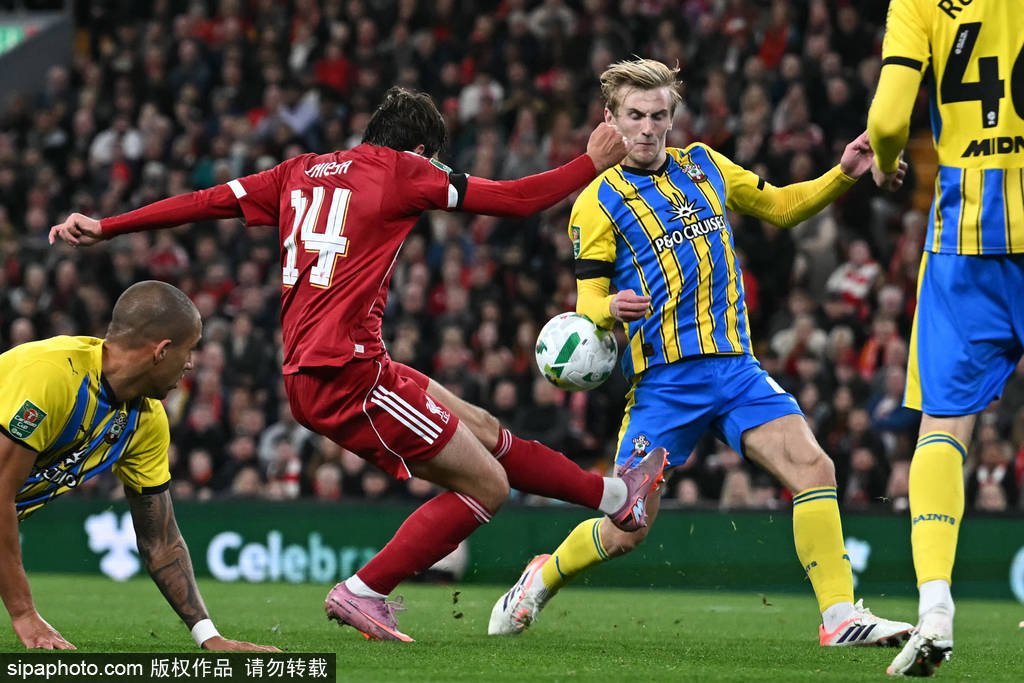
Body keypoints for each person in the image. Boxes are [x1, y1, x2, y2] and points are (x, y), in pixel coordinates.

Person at [49, 86, 666, 642]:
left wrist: (108, 226)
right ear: (422, 151)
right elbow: (517, 199)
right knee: (488, 486)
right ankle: (364, 590)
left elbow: (205, 201)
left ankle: (617, 496)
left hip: (338, 366)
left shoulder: (297, 172)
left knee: (480, 425)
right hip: (348, 377)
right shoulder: (405, 171)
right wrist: (589, 162)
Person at [488, 58, 913, 647]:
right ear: (611, 118)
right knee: (628, 527)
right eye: (634, 115)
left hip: (737, 369)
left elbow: (782, 207)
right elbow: (586, 300)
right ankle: (541, 576)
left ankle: (840, 617)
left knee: (814, 467)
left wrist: (842, 173)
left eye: (658, 115)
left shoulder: (706, 165)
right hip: (665, 383)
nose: (647, 127)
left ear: (672, 117)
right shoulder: (598, 201)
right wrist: (608, 308)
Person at [867, 1, 1024, 676]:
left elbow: (887, 121)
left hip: (966, 240)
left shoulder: (919, 3)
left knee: (944, 425)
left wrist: (885, 160)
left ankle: (934, 608)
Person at [0, 281, 277, 652]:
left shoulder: (146, 421)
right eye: (189, 349)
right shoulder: (50, 376)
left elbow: (160, 541)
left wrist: (210, 637)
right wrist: (24, 614)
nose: (190, 363)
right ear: (162, 351)